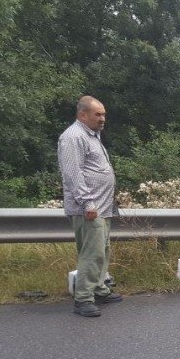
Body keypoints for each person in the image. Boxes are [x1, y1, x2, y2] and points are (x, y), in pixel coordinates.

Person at [57, 95, 123, 317]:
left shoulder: (92, 135)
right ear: (82, 114)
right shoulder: (74, 137)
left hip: (101, 207)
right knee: (91, 253)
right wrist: (87, 202)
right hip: (89, 208)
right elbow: (73, 174)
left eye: (104, 114)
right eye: (98, 114)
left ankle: (99, 289)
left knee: (101, 251)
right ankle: (83, 298)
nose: (103, 118)